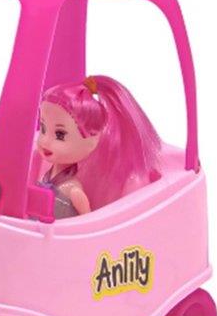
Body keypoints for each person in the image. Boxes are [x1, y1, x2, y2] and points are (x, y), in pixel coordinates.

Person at [37, 75, 161, 218]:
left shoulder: (73, 190)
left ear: (92, 139)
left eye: (60, 135)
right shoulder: (49, 175)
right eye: (43, 129)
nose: (45, 141)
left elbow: (88, 219)